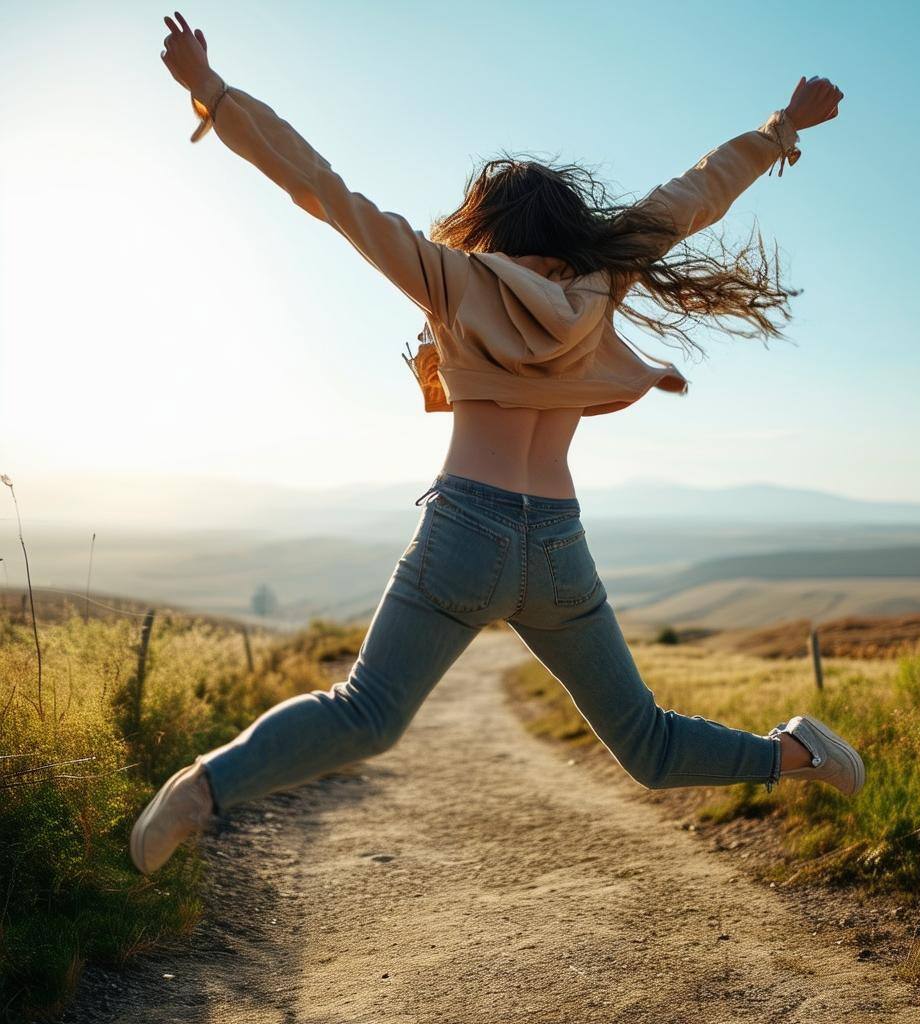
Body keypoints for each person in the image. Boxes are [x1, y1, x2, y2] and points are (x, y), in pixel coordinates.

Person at [132, 12, 859, 876]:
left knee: (366, 712)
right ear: (571, 227)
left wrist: (213, 94)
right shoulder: (605, 279)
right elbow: (696, 191)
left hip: (463, 534)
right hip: (556, 547)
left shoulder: (448, 274)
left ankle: (202, 790)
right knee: (648, 743)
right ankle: (800, 755)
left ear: (485, 225)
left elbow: (321, 188)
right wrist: (780, 128)